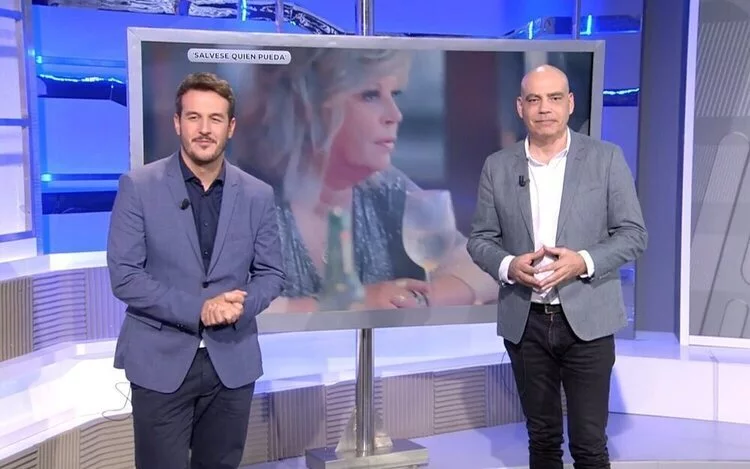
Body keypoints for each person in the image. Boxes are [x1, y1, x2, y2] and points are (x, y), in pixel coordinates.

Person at [467, 65, 647, 468]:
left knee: (589, 444)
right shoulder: (498, 166)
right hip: (526, 323)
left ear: (570, 104)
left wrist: (582, 261)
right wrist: (509, 265)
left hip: (588, 321)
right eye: (534, 99)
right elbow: (479, 240)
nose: (544, 108)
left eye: (554, 98)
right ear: (520, 107)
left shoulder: (605, 159)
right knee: (543, 440)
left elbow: (634, 235)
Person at [107, 72, 285, 469]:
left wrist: (240, 306)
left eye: (215, 118)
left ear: (231, 127)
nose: (204, 129)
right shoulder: (138, 187)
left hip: (232, 363)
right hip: (160, 362)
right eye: (194, 117)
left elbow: (272, 273)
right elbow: (125, 276)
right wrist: (200, 310)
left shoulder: (257, 194)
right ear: (177, 123)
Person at [232, 48, 498, 312]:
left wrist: (420, 300)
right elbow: (228, 306)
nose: (395, 115)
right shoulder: (244, 199)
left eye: (394, 95)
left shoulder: (385, 187)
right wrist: (355, 306)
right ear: (308, 105)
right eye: (370, 95)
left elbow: (483, 266)